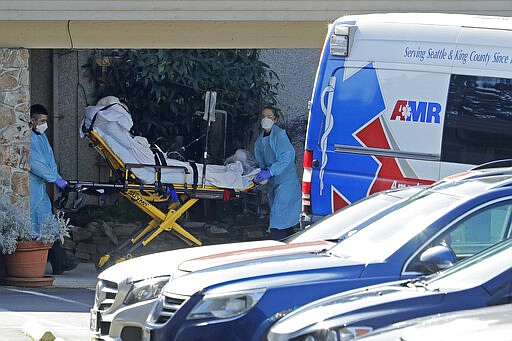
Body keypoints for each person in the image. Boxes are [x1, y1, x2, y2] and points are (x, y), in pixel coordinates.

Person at [29, 104, 78, 275]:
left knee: (47, 223)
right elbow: (36, 164)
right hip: (32, 187)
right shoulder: (29, 138)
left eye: (45, 121)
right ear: (32, 120)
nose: (44, 124)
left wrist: (58, 179)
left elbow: (49, 162)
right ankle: (58, 261)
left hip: (39, 188)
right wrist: (55, 179)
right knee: (40, 225)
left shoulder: (41, 138)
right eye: (41, 121)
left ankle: (59, 261)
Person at [254, 106, 301, 240]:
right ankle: (290, 245)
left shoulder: (280, 135)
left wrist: (270, 171)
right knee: (284, 219)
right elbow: (260, 160)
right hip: (274, 183)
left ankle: (277, 245)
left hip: (286, 183)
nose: (265, 119)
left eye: (269, 117)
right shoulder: (260, 140)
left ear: (275, 119)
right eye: (263, 116)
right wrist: (260, 175)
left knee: (278, 217)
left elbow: (287, 157)